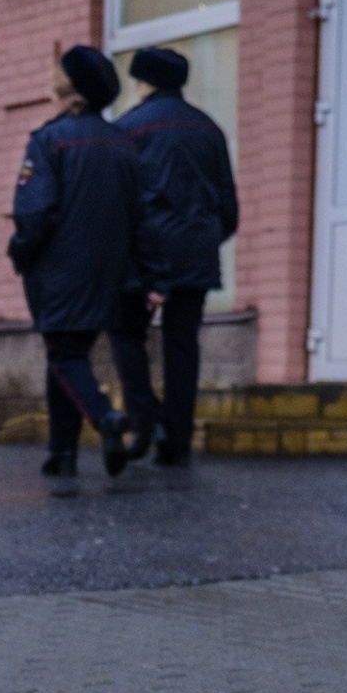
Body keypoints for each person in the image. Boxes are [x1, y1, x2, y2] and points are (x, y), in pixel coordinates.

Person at [8, 46, 149, 479]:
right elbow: (139, 215)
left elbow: (35, 212)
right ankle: (61, 451)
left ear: (64, 89)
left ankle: (105, 417)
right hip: (108, 271)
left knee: (65, 355)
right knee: (69, 356)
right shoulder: (124, 144)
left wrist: (20, 251)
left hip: (59, 269)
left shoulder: (49, 140)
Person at [108, 46, 238, 468]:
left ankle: (147, 420)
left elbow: (124, 202)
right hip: (197, 252)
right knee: (183, 345)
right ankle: (177, 441)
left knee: (128, 334)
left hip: (145, 254)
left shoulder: (127, 128)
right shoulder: (209, 129)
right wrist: (203, 239)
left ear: (142, 82)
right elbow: (228, 208)